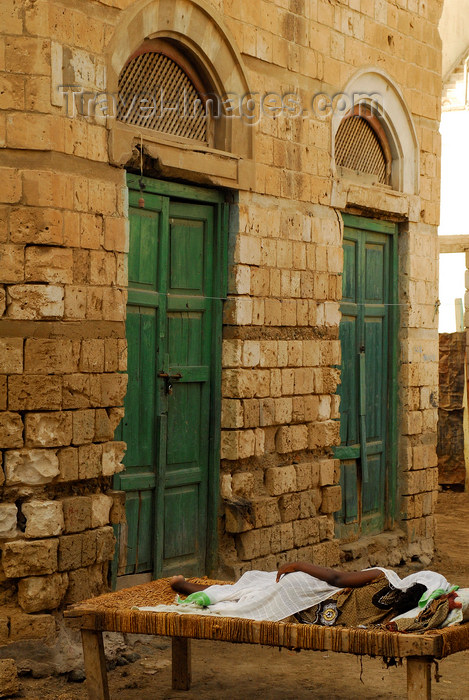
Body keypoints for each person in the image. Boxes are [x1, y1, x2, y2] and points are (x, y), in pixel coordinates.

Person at [168, 561, 442, 628]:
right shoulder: (393, 619)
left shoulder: (382, 577)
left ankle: (189, 588)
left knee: (255, 585)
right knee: (251, 597)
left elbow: (335, 578)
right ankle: (200, 593)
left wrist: (297, 565)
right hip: (312, 616)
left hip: (307, 593)